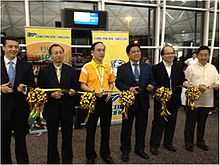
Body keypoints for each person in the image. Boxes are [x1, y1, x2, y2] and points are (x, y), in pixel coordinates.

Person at [37, 44, 78, 163]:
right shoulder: (44, 71)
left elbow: (75, 85)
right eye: (56, 53)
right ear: (50, 55)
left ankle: (67, 161)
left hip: (67, 109)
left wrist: (74, 90)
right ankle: (53, 161)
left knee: (67, 138)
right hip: (52, 109)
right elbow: (40, 90)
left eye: (61, 52)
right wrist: (51, 95)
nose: (59, 55)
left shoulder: (71, 70)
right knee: (52, 138)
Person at [115, 43, 154, 162]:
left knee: (141, 128)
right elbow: (118, 83)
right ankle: (125, 151)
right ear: (128, 54)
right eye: (134, 52)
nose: (137, 53)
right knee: (126, 128)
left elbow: (153, 80)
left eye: (138, 51)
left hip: (143, 103)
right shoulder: (122, 68)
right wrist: (128, 89)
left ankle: (140, 149)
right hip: (128, 103)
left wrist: (152, 85)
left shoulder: (147, 67)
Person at [79, 42, 115, 164]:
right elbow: (82, 85)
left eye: (103, 50)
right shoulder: (87, 67)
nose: (101, 53)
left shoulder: (108, 67)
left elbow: (111, 81)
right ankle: (90, 155)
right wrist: (93, 91)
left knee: (106, 128)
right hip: (92, 100)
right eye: (99, 50)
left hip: (106, 99)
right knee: (91, 129)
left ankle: (105, 153)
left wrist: (110, 91)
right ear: (92, 52)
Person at [1, 36, 35, 163]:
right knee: (3, 142)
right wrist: (0, 89)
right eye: (10, 46)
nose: (13, 49)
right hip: (2, 110)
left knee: (21, 141)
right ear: (3, 47)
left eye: (16, 47)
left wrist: (25, 88)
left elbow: (32, 85)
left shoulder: (26, 66)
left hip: (20, 110)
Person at [149, 45, 188, 155]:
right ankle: (154, 145)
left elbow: (182, 79)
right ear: (162, 56)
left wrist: (185, 83)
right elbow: (153, 83)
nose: (170, 55)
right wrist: (156, 92)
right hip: (161, 100)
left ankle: (168, 143)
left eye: (172, 53)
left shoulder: (178, 66)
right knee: (158, 123)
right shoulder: (156, 68)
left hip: (174, 99)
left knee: (172, 122)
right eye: (167, 53)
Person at [184, 46, 219, 152]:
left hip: (207, 100)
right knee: (190, 123)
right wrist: (197, 86)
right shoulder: (191, 68)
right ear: (197, 55)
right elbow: (185, 83)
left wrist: (217, 85)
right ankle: (188, 142)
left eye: (206, 55)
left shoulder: (212, 67)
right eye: (201, 55)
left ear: (208, 56)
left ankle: (200, 141)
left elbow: (217, 79)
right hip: (193, 100)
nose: (204, 57)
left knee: (202, 123)